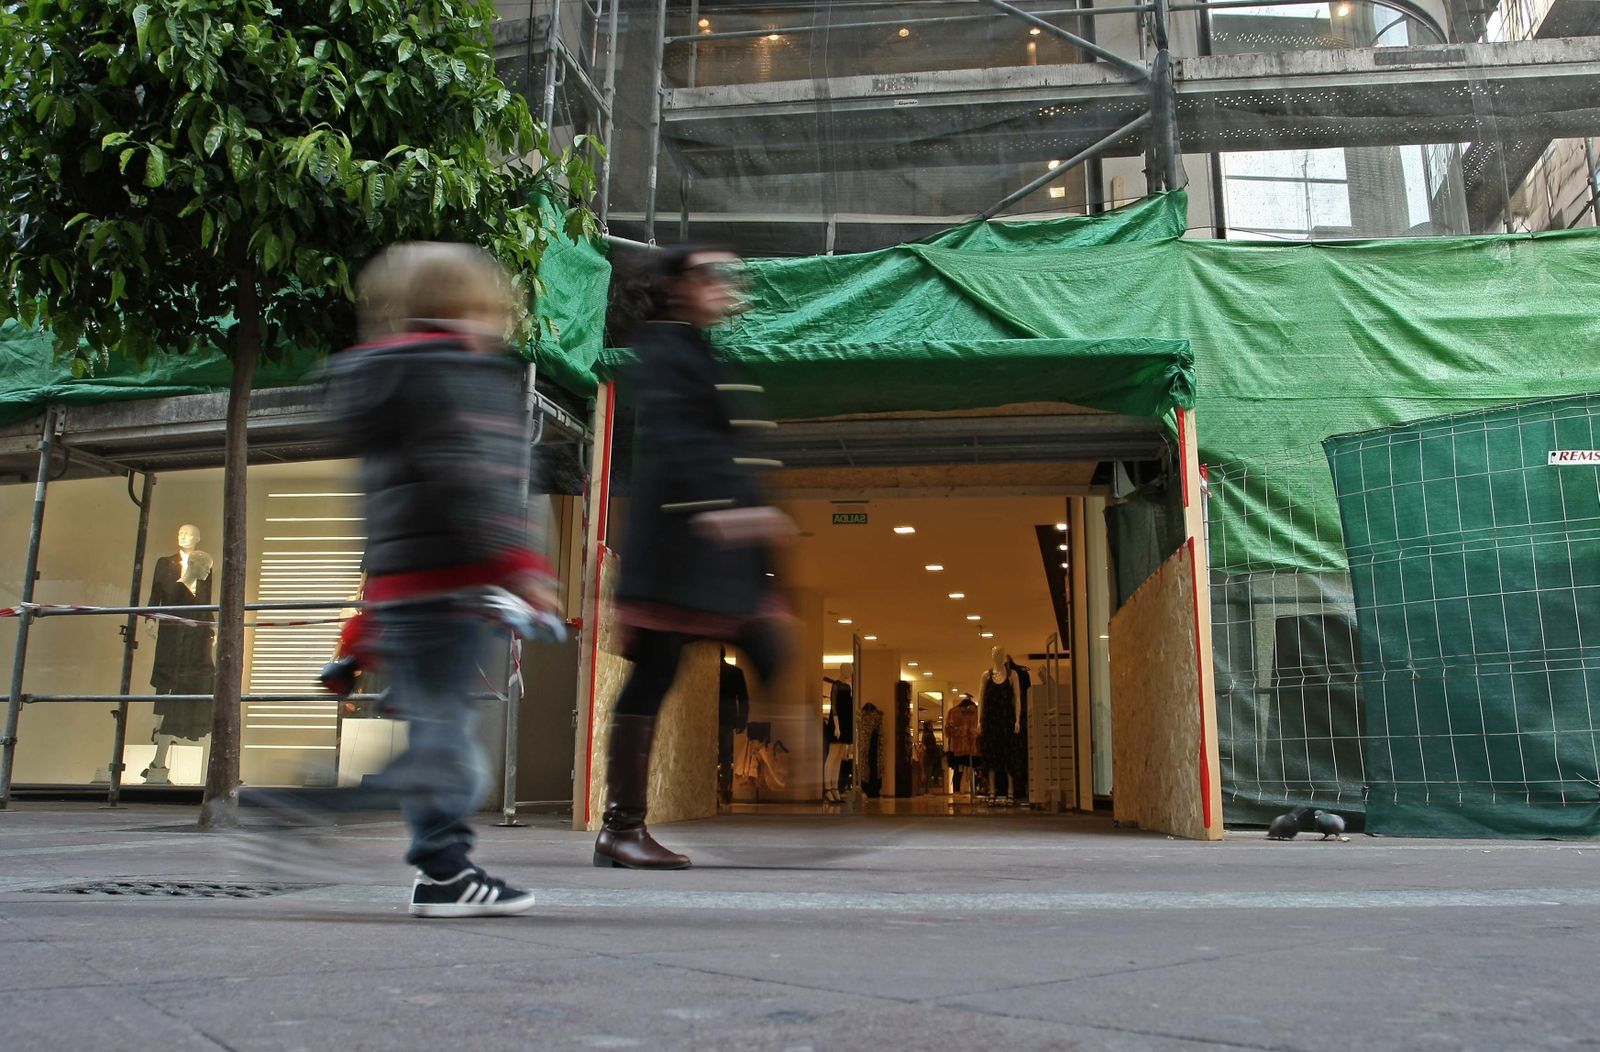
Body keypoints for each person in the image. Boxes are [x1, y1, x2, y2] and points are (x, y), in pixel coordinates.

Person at [250, 242, 557, 918]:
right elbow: (473, 479)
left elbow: (391, 514)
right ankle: (306, 806)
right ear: (473, 302)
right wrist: (523, 568)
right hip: (452, 589)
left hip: (405, 591)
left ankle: (445, 873)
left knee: (436, 736)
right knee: (452, 756)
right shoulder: (455, 371)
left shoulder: (386, 378)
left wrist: (364, 630)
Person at [597, 245, 793, 870]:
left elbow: (727, 452)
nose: (725, 285)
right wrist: (722, 509)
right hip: (680, 548)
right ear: (678, 285)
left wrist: (758, 547)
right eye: (712, 274)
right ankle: (622, 827)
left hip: (704, 552)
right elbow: (679, 436)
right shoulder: (665, 349)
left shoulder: (700, 351)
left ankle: (622, 828)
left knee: (733, 651)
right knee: (658, 671)